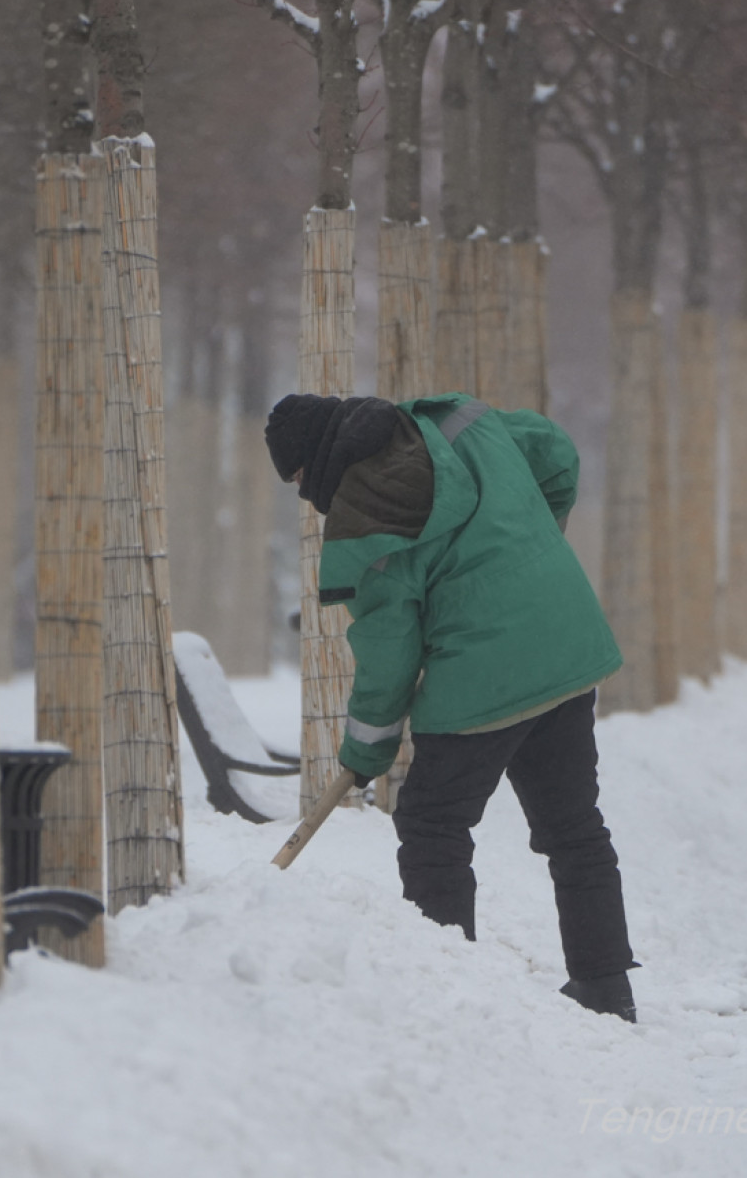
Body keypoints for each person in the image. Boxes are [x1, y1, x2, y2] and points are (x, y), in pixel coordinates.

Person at [264, 391, 639, 1022]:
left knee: (432, 828)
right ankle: (606, 989)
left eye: (297, 477)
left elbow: (389, 654)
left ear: (316, 461)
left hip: (482, 676)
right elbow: (556, 454)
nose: (302, 492)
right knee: (575, 829)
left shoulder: (365, 522)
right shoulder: (456, 423)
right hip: (565, 636)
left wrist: (364, 753)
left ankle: (450, 1004)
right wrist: (530, 547)